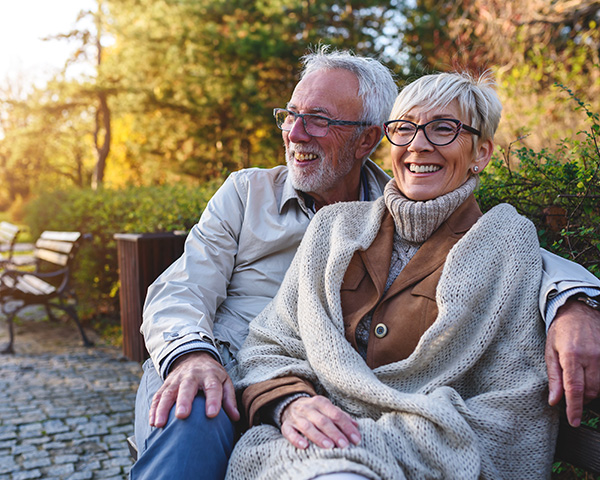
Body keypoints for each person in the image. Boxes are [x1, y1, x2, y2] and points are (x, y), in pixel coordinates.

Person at [131, 48, 600, 480]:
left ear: (367, 140)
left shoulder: (395, 205)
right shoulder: (247, 193)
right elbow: (182, 288)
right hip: (216, 364)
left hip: (313, 405)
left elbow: (509, 255)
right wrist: (193, 356)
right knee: (194, 414)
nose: (295, 133)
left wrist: (575, 301)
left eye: (317, 119)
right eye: (290, 116)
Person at [226, 71, 563, 479]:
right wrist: (290, 403)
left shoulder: (508, 245)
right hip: (300, 448)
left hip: (427, 457)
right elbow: (270, 344)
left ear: (482, 153)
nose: (418, 144)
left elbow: (512, 402)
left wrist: (362, 441)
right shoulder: (333, 230)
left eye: (443, 129)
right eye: (404, 129)